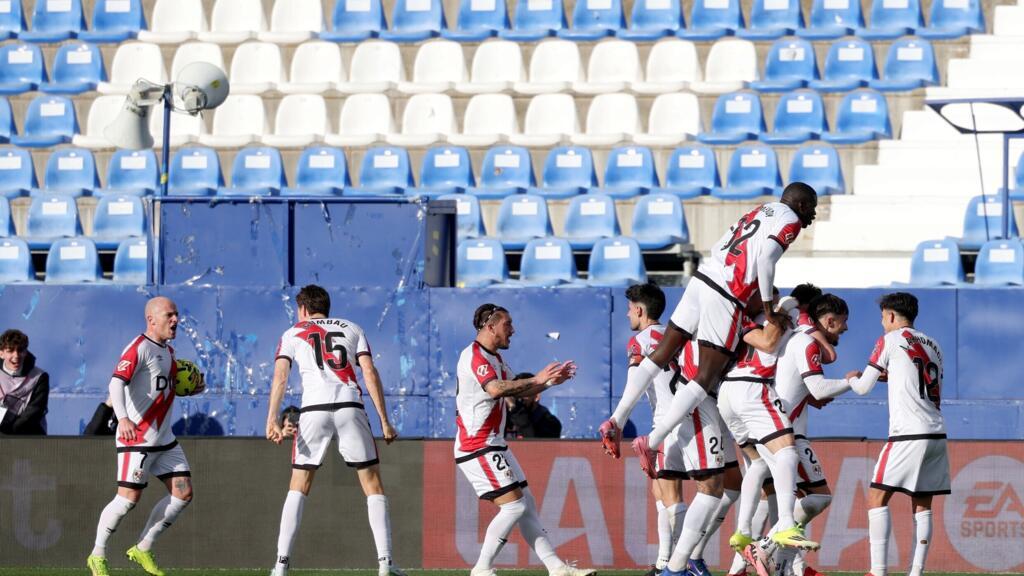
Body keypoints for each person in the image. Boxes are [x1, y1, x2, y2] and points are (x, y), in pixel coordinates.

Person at [600, 183, 818, 478]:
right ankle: (651, 442)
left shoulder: (762, 209)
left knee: (661, 353)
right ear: (801, 205)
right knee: (704, 377)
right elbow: (766, 257)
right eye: (812, 207)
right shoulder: (791, 219)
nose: (813, 214)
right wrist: (769, 308)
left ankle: (616, 419)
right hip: (727, 294)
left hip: (702, 278)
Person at [265, 285, 406, 576]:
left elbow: (280, 376)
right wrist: (384, 420)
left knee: (299, 484)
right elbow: (369, 372)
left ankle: (280, 565)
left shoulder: (292, 333)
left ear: (304, 308)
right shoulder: (352, 327)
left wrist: (272, 419)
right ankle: (386, 563)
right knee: (372, 484)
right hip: (349, 404)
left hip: (313, 409)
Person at [456, 303, 593, 576]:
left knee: (526, 506)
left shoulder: (495, 358)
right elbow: (496, 389)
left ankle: (557, 568)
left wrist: (549, 382)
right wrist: (539, 378)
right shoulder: (474, 356)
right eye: (507, 324)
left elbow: (519, 389)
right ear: (490, 326)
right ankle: (481, 569)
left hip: (493, 444)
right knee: (514, 506)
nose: (513, 330)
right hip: (476, 446)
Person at [87, 296, 205, 576]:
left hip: (164, 440)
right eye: (169, 315)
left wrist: (192, 387)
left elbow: (163, 387)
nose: (175, 320)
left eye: (176, 314)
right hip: (137, 439)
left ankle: (143, 547)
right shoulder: (138, 347)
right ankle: (97, 554)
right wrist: (123, 418)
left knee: (183, 493)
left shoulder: (169, 352)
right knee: (127, 499)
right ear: (151, 320)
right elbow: (115, 383)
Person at [847, 292, 948, 576]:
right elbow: (919, 378)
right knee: (923, 505)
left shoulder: (889, 340)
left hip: (907, 433)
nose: (882, 323)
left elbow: (862, 387)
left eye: (882, 317)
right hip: (936, 432)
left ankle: (877, 571)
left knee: (876, 497)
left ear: (891, 315)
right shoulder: (934, 345)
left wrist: (851, 379)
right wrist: (889, 376)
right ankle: (916, 572)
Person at [771, 294, 854, 576]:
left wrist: (807, 396)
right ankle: (764, 547)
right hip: (787, 434)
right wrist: (852, 381)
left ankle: (790, 567)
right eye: (843, 322)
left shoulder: (789, 338)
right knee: (819, 498)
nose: (845, 328)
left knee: (784, 502)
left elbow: (799, 387)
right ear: (828, 320)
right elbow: (819, 386)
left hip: (772, 428)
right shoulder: (806, 341)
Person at [0, 329, 49, 435]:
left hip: (29, 434)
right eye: (10, 351)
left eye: (20, 350)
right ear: (1, 353)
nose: (16, 355)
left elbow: (35, 411)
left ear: (26, 352)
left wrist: (9, 433)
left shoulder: (40, 376)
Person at [505, 373, 562, 439]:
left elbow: (534, 443)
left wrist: (516, 410)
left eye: (524, 394)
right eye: (515, 394)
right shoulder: (507, 417)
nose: (518, 398)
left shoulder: (550, 423)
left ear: (537, 396)